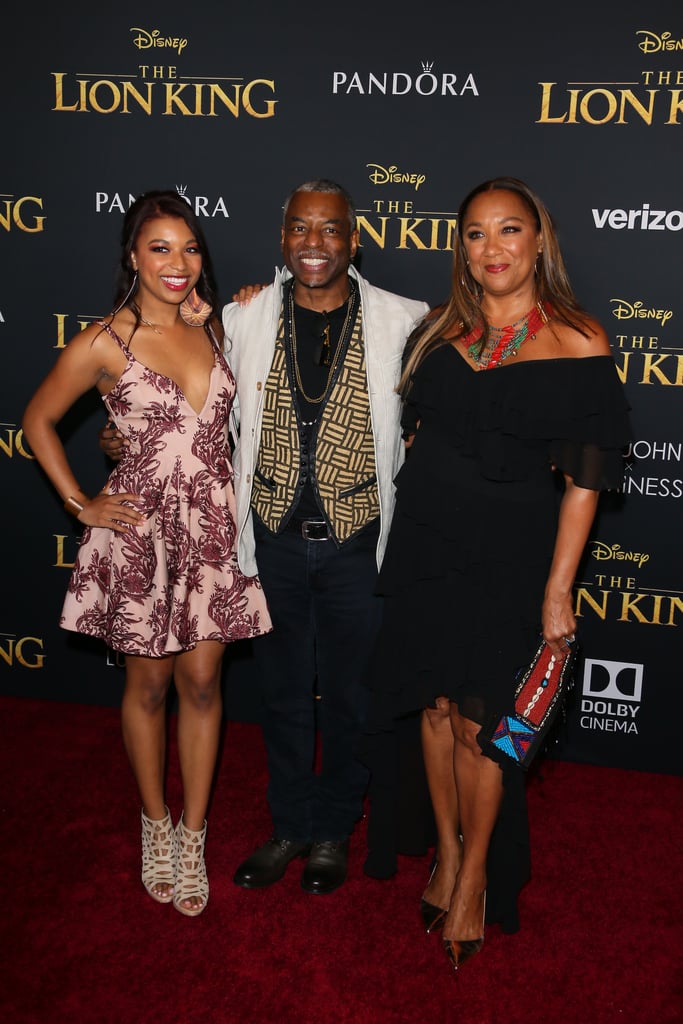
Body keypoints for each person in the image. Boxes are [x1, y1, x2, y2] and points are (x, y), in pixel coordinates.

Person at [359, 176, 631, 968]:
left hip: (509, 561)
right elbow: (414, 438)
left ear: (538, 240)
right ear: (461, 248)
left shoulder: (578, 339)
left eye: (508, 231)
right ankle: (443, 852)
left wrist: (557, 590)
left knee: (486, 729)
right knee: (435, 710)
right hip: (426, 550)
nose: (492, 249)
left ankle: (474, 877)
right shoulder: (439, 330)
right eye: (475, 234)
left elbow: (584, 481)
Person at [22, 189, 272, 917]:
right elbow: (38, 419)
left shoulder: (218, 328)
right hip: (141, 537)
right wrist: (82, 504)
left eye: (190, 248)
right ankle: (153, 825)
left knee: (201, 684)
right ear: (132, 255)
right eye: (160, 248)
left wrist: (240, 303)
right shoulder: (104, 340)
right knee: (150, 688)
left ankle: (192, 833)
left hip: (213, 532)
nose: (178, 263)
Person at [221, 179, 429, 894]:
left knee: (349, 699)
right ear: (283, 240)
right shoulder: (240, 317)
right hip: (272, 540)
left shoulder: (404, 320)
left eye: (330, 229)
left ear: (353, 239)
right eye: (301, 229)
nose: (315, 243)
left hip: (356, 545)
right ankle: (287, 826)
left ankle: (333, 832)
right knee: (280, 697)